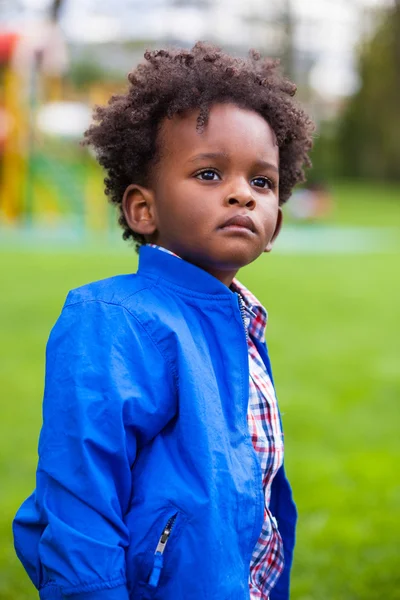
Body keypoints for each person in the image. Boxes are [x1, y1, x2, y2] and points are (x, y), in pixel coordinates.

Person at [13, 42, 314, 600]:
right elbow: (78, 495)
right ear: (143, 209)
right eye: (208, 173)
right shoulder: (113, 320)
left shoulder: (241, 319)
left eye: (262, 182)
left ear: (274, 225)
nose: (241, 195)